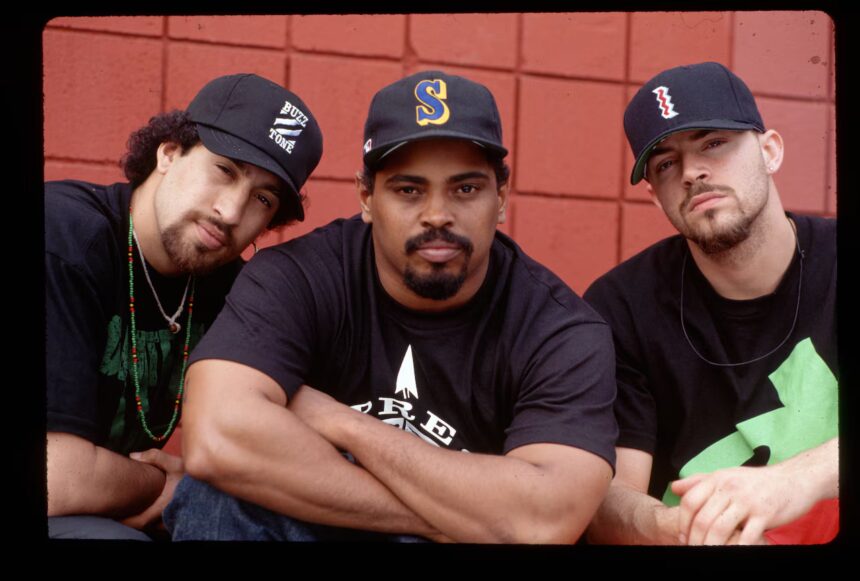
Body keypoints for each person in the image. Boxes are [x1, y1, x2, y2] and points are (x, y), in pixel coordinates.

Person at [163, 70, 618, 543]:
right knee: (215, 493)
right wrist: (457, 520)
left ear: (500, 198)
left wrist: (345, 424)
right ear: (366, 196)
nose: (437, 215)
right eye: (409, 190)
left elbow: (544, 521)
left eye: (465, 189)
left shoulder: (559, 329)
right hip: (330, 527)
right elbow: (217, 438)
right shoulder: (300, 276)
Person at [46, 73, 324, 540]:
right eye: (225, 170)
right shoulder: (64, 239)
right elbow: (55, 481)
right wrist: (168, 485)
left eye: (262, 198)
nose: (231, 212)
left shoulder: (231, 286)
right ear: (169, 153)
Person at [584, 62, 838, 545]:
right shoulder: (621, 306)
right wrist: (683, 530)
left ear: (770, 151)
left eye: (714, 143)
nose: (691, 173)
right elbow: (608, 499)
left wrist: (793, 481)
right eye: (665, 164)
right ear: (655, 196)